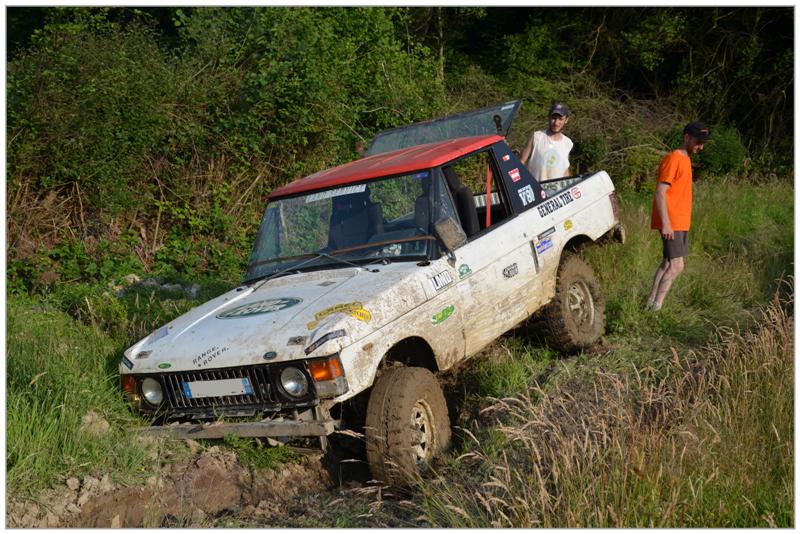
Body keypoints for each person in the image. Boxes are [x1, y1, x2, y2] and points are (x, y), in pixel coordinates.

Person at [646, 122, 712, 312]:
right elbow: (660, 191)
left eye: (703, 143)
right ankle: (656, 308)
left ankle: (650, 304)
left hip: (680, 221)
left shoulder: (686, 159)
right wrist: (666, 224)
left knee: (667, 262)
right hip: (672, 222)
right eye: (698, 142)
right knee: (677, 266)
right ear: (686, 138)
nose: (701, 147)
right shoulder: (674, 158)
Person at [520, 102, 573, 181]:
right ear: (549, 117)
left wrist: (568, 184)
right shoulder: (536, 136)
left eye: (560, 119)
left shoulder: (568, 143)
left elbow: (564, 169)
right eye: (554, 118)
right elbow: (521, 161)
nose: (556, 123)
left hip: (556, 191)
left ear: (566, 120)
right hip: (535, 189)